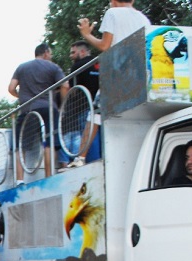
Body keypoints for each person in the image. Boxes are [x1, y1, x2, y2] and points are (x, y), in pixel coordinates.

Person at [74, 1, 150, 168]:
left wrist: (87, 35)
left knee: (94, 114)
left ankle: (80, 158)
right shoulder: (143, 18)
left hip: (117, 74)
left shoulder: (113, 14)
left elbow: (105, 45)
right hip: (138, 75)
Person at [8, 43, 68, 181]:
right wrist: (61, 105)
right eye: (50, 54)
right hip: (48, 108)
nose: (51, 56)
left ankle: (19, 180)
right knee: (49, 142)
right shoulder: (53, 67)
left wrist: (22, 98)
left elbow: (11, 88)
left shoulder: (22, 67)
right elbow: (65, 85)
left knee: (20, 145)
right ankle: (48, 176)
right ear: (46, 52)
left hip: (27, 109)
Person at [61, 41, 102, 169]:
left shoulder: (77, 66)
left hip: (83, 107)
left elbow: (72, 90)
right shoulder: (100, 62)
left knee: (88, 137)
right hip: (101, 106)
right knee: (100, 137)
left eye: (73, 52)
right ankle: (100, 162)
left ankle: (91, 166)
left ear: (82, 51)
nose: (71, 56)